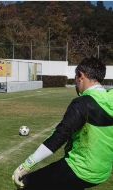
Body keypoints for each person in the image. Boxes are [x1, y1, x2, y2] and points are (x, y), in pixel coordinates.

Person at [12, 57, 113, 190]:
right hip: (103, 172)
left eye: (76, 78)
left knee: (25, 183)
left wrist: (26, 165)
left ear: (80, 76)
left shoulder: (81, 104)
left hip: (80, 170)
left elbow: (59, 137)